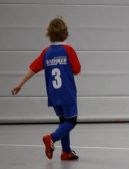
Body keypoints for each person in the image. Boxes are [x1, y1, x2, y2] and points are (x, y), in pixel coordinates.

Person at [11, 17, 81, 161]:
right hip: (67, 93)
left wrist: (20, 84)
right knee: (71, 121)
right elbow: (77, 70)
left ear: (49, 34)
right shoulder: (68, 50)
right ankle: (51, 138)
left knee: (63, 120)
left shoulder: (46, 52)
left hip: (53, 94)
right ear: (65, 33)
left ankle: (66, 152)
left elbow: (33, 69)